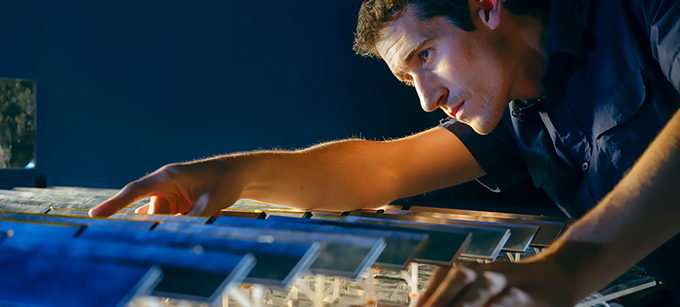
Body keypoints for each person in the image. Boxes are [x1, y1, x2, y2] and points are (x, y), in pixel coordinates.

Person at [90, 0, 680, 305]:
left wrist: (564, 266)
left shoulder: (639, 10)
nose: (426, 99)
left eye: (425, 55)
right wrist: (232, 174)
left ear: (486, 6)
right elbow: (381, 169)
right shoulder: (515, 113)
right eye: (407, 78)